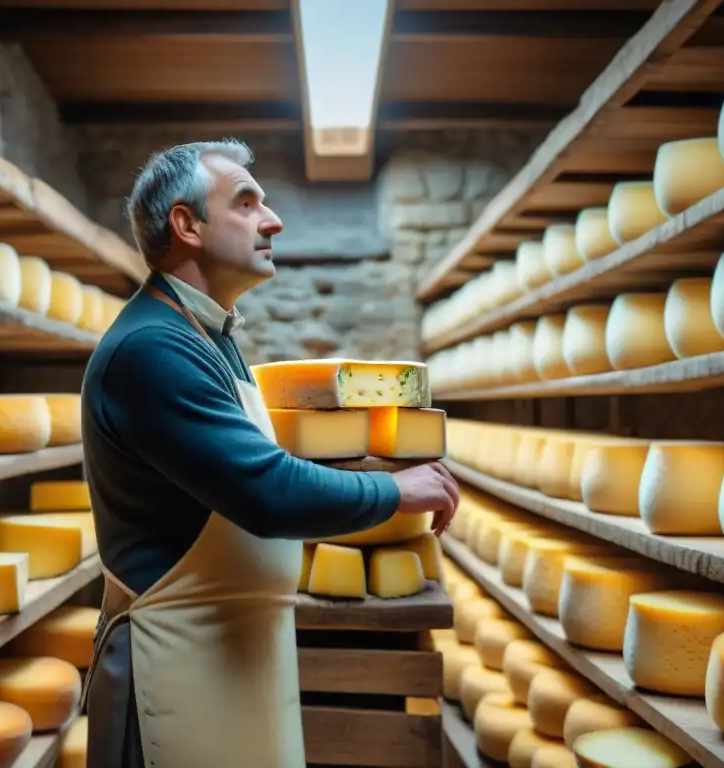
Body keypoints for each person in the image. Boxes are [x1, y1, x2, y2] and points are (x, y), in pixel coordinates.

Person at [79, 139, 460, 768]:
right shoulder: (152, 348)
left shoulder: (207, 334)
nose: (274, 219)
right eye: (247, 201)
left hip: (236, 655)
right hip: (177, 667)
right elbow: (269, 491)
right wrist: (397, 491)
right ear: (187, 225)